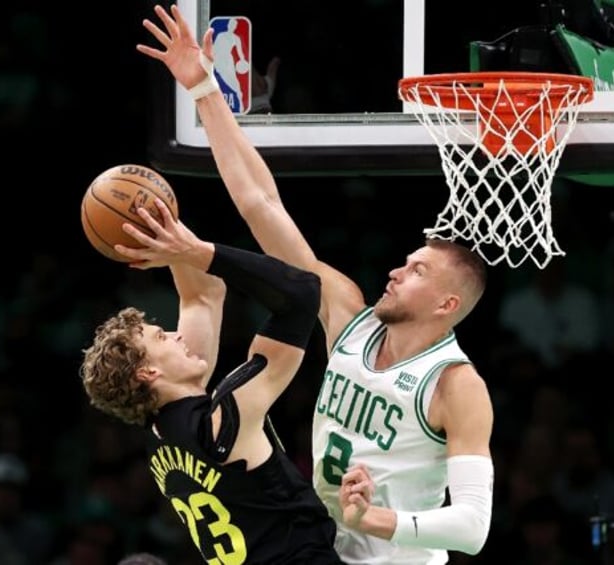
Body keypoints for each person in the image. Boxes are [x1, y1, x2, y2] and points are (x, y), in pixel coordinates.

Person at [137, 5, 495, 564]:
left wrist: (372, 519)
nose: (398, 270)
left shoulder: (454, 384)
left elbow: (473, 527)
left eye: (418, 270)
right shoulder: (349, 314)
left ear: (447, 304)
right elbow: (262, 203)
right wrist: (204, 87)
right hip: (314, 549)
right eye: (406, 260)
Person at [80, 200, 355, 564]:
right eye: (162, 337)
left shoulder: (164, 435)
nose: (177, 335)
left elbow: (201, 298)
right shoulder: (225, 421)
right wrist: (198, 252)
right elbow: (303, 294)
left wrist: (168, 231)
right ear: (148, 373)